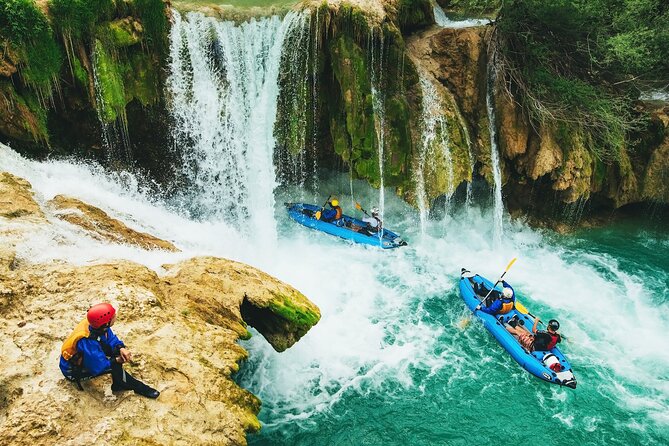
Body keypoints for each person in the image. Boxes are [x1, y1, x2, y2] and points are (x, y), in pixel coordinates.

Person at [59, 303, 160, 399]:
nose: (115, 316)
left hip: (88, 355)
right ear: (106, 323)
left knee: (116, 352)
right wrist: (116, 360)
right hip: (72, 371)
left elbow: (110, 338)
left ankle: (119, 382)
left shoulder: (96, 325)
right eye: (113, 316)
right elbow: (97, 367)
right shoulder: (88, 341)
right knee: (114, 366)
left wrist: (121, 348)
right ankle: (132, 386)